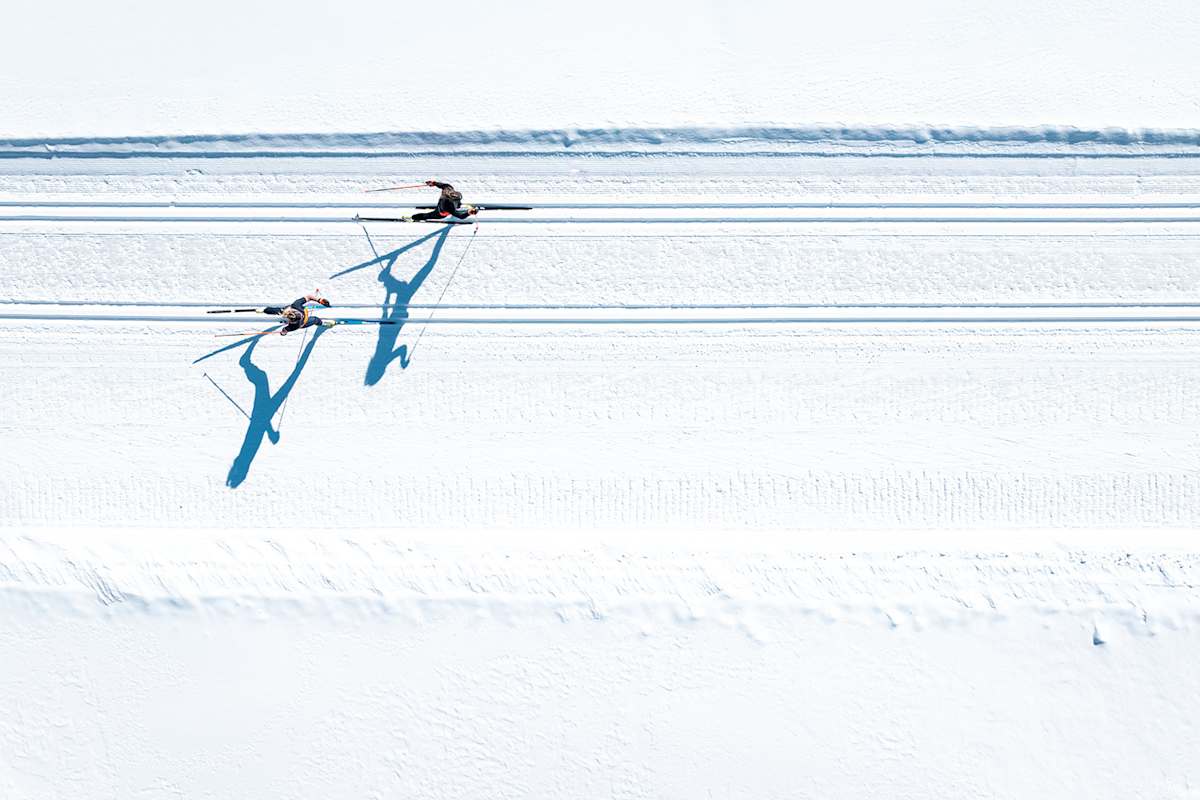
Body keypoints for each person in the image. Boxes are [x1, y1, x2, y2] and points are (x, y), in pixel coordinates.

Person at [262, 292, 335, 335]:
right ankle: (322, 323)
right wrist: (283, 332)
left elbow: (309, 297)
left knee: (278, 310)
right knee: (315, 319)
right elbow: (285, 330)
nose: (302, 316)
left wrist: (319, 300)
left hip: (292, 311)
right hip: (304, 322)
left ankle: (264, 310)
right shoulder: (295, 325)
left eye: (301, 315)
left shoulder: (296, 305)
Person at [407, 180, 478, 222]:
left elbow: (444, 185)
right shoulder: (448, 200)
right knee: (428, 215)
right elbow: (461, 216)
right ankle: (413, 217)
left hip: (441, 209)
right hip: (442, 210)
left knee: (428, 215)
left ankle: (414, 217)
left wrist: (434, 183)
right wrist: (469, 213)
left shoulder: (448, 191)